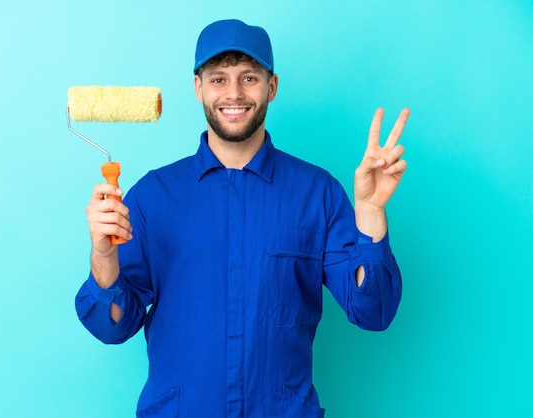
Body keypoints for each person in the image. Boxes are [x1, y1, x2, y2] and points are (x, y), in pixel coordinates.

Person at [75, 18, 409, 418]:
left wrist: (370, 213)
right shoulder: (152, 197)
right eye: (218, 79)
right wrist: (103, 255)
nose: (233, 93)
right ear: (198, 88)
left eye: (249, 77)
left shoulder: (316, 193)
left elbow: (373, 312)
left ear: (272, 86)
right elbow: (112, 326)